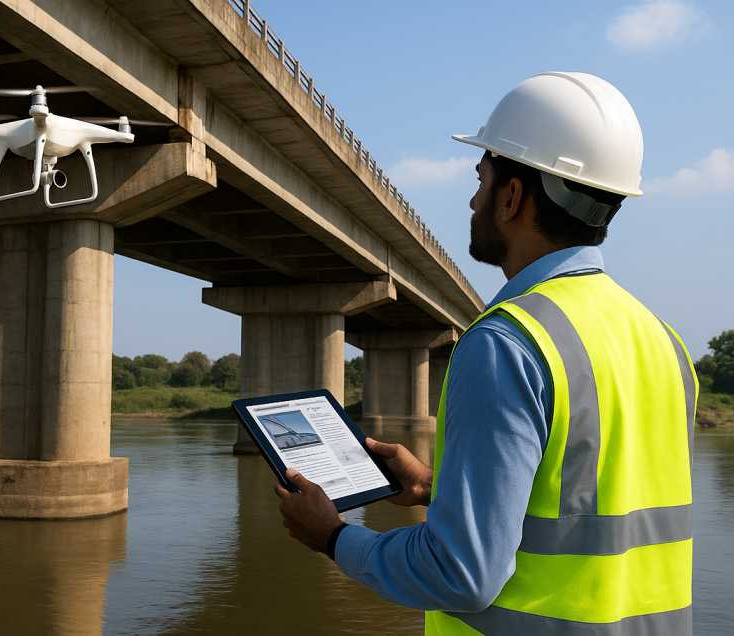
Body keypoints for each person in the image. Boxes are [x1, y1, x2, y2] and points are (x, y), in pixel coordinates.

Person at [274, 72, 697, 634]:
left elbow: (462, 575)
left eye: (481, 179)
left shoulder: (507, 343)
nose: (474, 200)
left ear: (512, 197)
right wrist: (432, 487)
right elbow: (586, 502)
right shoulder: (664, 340)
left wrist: (333, 536)